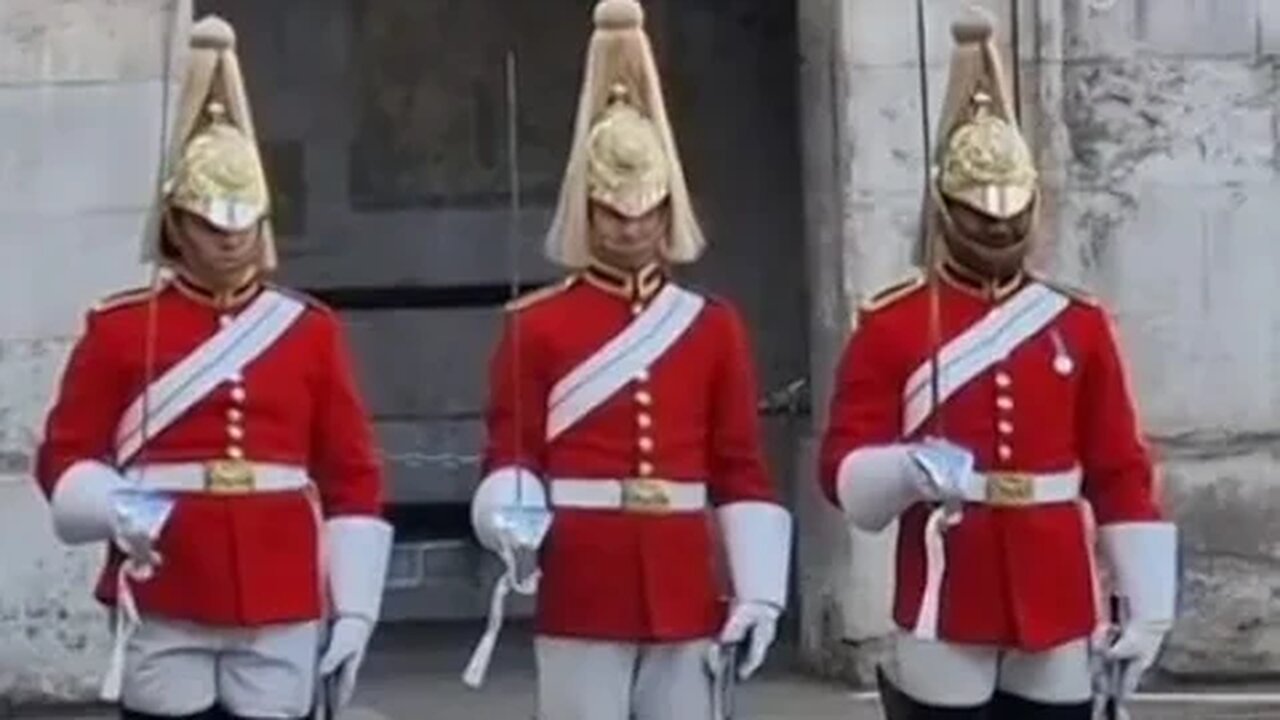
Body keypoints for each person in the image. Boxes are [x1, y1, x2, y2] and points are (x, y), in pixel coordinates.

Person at [817, 16, 1178, 720]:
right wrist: (906, 469)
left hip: (1057, 584)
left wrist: (1146, 603)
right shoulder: (894, 323)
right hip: (948, 584)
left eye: (1014, 218)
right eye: (982, 219)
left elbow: (1117, 471)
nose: (1001, 234)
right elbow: (843, 467)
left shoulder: (1076, 324)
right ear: (948, 212)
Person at [34, 15, 392, 720]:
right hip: (168, 580)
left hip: (281, 586)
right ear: (176, 225)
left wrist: (353, 606)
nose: (229, 242)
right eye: (210, 225)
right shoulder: (120, 328)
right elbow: (66, 455)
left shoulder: (308, 330)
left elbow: (351, 475)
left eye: (243, 224)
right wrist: (113, 507)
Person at [463, 1, 792, 718]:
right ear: (589, 208)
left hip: (684, 582)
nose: (633, 228)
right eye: (616, 212)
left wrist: (760, 586)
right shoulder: (538, 325)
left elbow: (738, 467)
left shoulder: (710, 326)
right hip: (586, 583)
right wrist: (511, 517)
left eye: (647, 211)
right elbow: (511, 451)